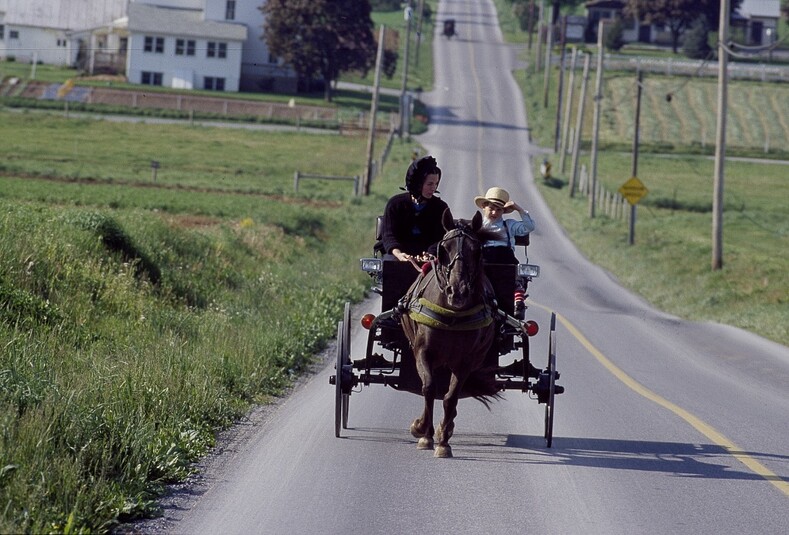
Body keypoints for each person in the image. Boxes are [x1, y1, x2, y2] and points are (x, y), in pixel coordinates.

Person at [473, 186, 535, 319]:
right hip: (484, 264)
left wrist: (519, 209)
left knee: (515, 278)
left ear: (503, 211)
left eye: (498, 209)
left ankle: (518, 302)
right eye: (491, 208)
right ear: (484, 206)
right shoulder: (477, 225)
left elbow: (529, 227)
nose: (494, 213)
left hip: (505, 264)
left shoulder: (510, 225)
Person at [381, 155, 450, 263]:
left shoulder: (441, 208)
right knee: (389, 267)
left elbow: (442, 237)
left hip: (429, 259)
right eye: (429, 184)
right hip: (398, 256)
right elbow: (388, 235)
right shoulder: (395, 204)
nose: (434, 188)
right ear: (417, 184)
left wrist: (430, 254)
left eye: (436, 184)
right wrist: (399, 254)